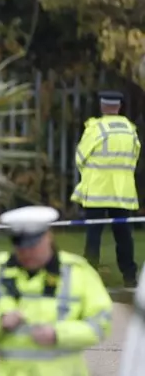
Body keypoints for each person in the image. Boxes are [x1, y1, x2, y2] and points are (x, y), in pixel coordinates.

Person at [0, 205, 113, 375]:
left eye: (33, 247)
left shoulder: (77, 271)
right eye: (21, 248)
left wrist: (58, 334)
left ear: (48, 237)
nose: (27, 253)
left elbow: (101, 322)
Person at [70, 89, 141, 287]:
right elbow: (134, 157)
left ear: (102, 106)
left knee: (94, 235)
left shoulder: (96, 128)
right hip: (122, 192)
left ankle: (90, 276)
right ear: (119, 107)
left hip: (97, 191)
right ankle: (130, 277)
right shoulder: (130, 129)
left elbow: (80, 157)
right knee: (124, 235)